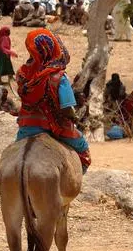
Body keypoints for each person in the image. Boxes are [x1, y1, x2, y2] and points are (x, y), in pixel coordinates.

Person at [15, 29, 91, 171]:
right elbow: (67, 107)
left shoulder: (22, 73)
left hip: (27, 126)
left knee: (13, 155)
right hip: (56, 127)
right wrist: (75, 118)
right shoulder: (58, 76)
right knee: (83, 149)